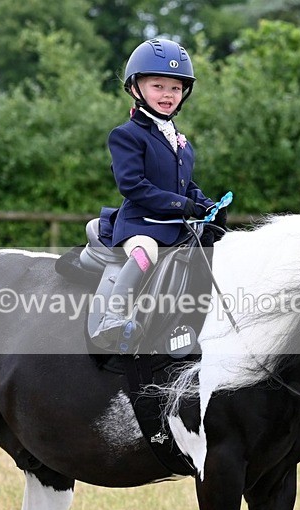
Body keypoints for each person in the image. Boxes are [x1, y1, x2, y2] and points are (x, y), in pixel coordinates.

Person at [92, 38, 222, 344]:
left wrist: (206, 205)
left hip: (175, 227)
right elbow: (133, 185)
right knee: (145, 254)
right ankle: (112, 317)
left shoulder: (179, 140)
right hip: (141, 225)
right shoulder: (126, 136)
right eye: (158, 86)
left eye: (175, 88)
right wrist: (182, 205)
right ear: (137, 89)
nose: (168, 94)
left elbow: (185, 184)